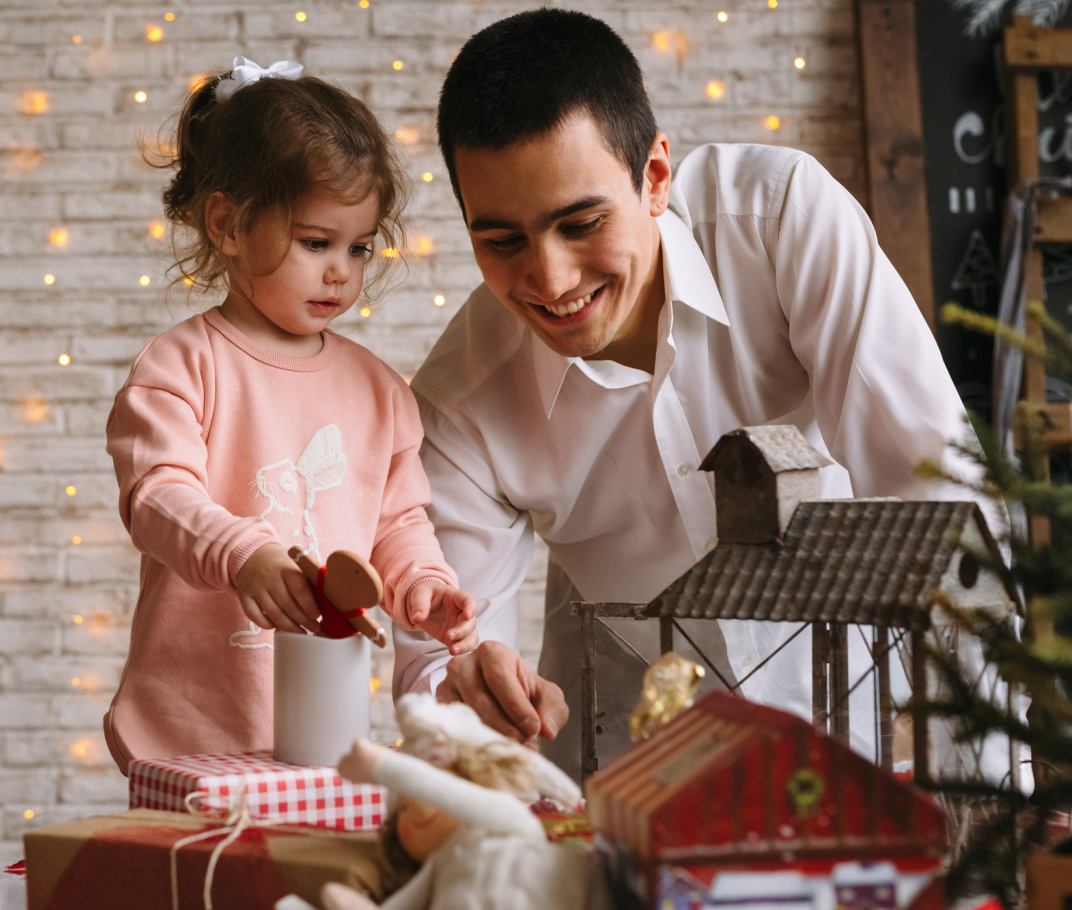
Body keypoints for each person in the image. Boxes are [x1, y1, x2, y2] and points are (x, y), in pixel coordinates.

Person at [393, 9, 994, 780]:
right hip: (628, 778)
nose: (550, 280)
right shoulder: (458, 403)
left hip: (868, 743)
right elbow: (446, 676)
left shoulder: (780, 223)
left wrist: (992, 804)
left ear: (653, 177)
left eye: (581, 223)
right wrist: (469, 688)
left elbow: (938, 497)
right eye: (502, 241)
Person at [103, 57, 478, 770]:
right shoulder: (182, 367)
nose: (342, 269)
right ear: (228, 224)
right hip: (188, 733)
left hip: (322, 731)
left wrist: (423, 586)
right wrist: (243, 553)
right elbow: (158, 498)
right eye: (316, 243)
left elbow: (397, 523)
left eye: (358, 247)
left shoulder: (378, 391)